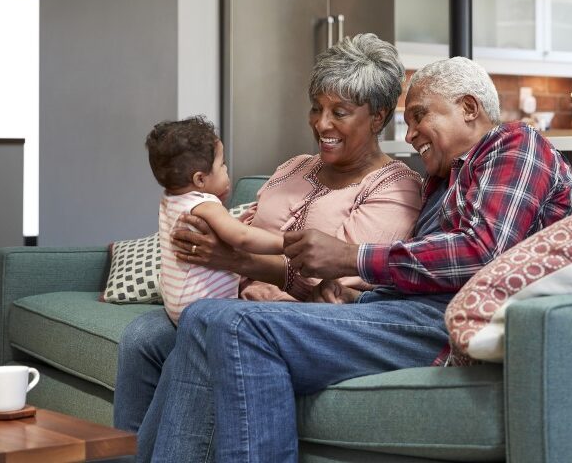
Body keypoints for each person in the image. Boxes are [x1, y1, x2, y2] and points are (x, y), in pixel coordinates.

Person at [136, 56, 572, 462]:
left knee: (231, 323)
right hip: (400, 310)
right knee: (201, 321)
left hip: (449, 322)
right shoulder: (445, 177)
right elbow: (418, 266)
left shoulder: (516, 145)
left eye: (420, 115)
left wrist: (351, 257)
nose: (410, 134)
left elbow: (481, 251)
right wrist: (350, 296)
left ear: (470, 108)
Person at [114, 33, 423, 432]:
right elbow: (245, 226)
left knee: (206, 335)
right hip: (235, 299)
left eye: (340, 112)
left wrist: (235, 262)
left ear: (378, 116)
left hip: (293, 319)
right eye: (316, 108)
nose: (321, 123)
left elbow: (337, 275)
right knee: (142, 335)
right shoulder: (294, 166)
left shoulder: (395, 187)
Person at [146, 116, 286, 324]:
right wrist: (285, 244)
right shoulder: (205, 205)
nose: (226, 170)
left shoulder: (170, 200)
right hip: (206, 307)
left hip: (177, 306)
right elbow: (242, 237)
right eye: (222, 165)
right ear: (200, 179)